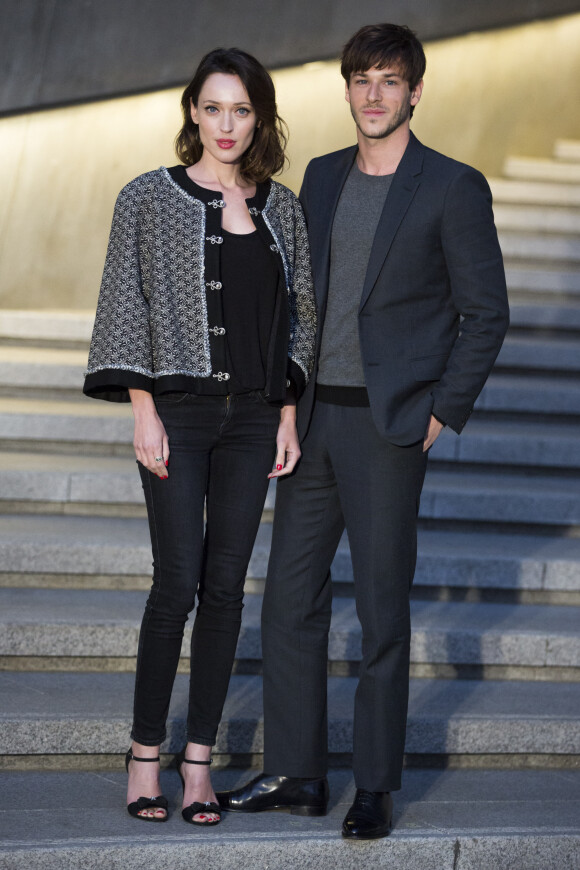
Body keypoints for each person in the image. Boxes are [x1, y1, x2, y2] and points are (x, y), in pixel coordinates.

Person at [216, 23, 509, 838]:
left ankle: (375, 784)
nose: (373, 95)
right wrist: (281, 403)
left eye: (389, 81)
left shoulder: (452, 187)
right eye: (360, 80)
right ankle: (297, 772)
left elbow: (486, 314)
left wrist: (443, 410)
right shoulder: (322, 176)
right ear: (346, 90)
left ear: (416, 92)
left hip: (388, 428)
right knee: (289, 603)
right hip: (311, 419)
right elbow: (297, 300)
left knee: (382, 612)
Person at [83, 47, 316, 826]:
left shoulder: (283, 208)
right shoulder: (147, 198)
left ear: (260, 118)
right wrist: (142, 407)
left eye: (242, 110)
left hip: (253, 421)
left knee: (225, 593)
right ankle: (145, 754)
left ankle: (197, 766)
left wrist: (286, 409)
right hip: (177, 415)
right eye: (213, 107)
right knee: (176, 583)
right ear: (192, 110)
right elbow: (127, 304)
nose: (227, 124)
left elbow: (301, 317)